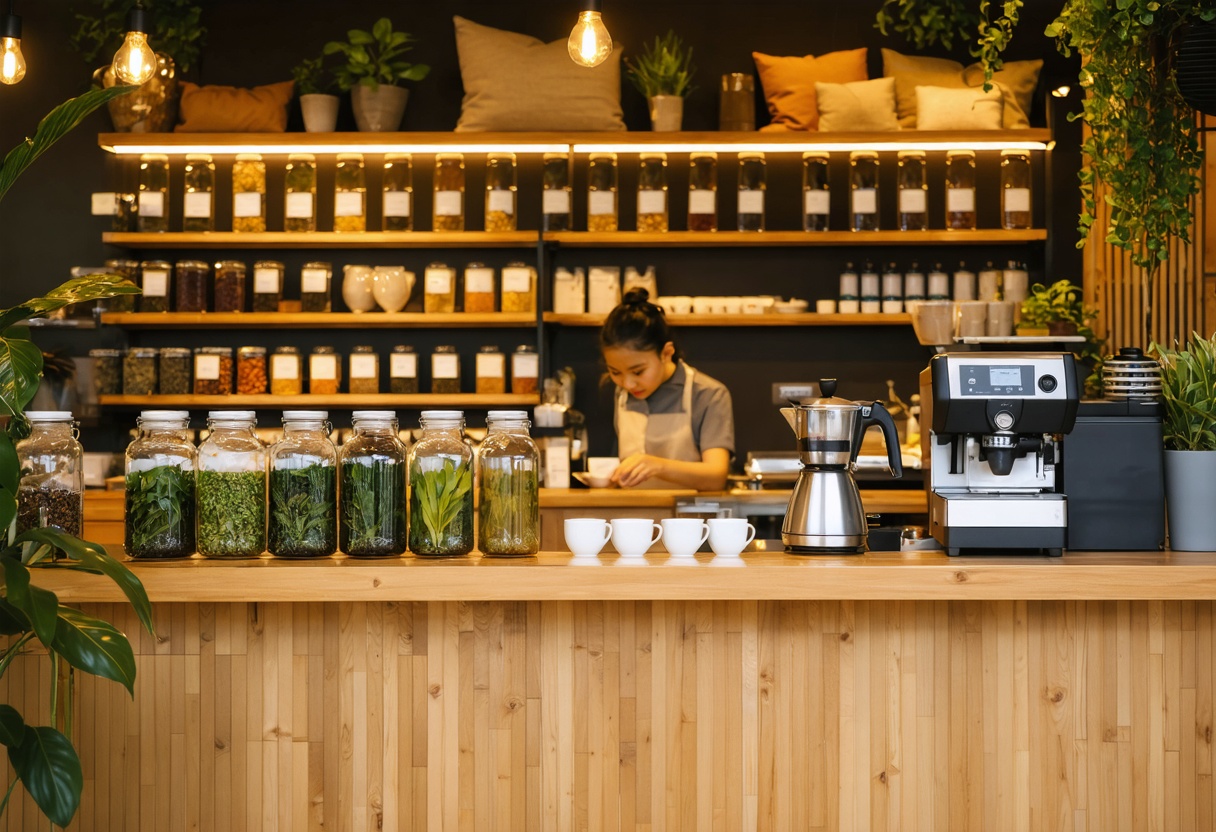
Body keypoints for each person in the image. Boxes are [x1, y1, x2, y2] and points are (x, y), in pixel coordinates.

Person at [599, 289, 734, 490]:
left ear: (666, 353)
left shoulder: (707, 394)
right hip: (631, 519)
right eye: (615, 372)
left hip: (689, 519)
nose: (628, 384)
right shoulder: (622, 394)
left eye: (638, 372)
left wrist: (657, 465)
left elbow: (716, 476)